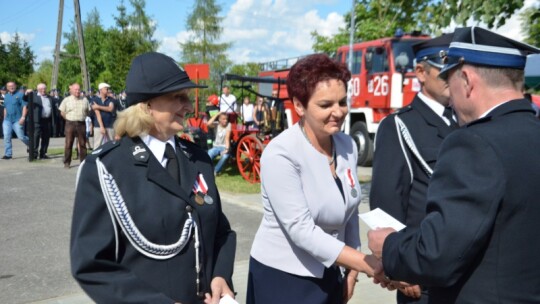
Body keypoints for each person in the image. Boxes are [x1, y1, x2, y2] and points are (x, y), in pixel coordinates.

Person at [368, 27, 540, 303]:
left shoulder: (474, 143)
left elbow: (437, 255)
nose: (451, 94)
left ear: (467, 80)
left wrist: (388, 246)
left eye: (451, 80)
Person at [70, 52, 237, 304]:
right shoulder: (106, 167)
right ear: (146, 106)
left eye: (187, 98)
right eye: (177, 98)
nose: (189, 106)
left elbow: (220, 231)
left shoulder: (198, 158)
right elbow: (91, 264)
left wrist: (221, 274)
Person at [247, 54, 377, 304]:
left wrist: (352, 270)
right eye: (326, 105)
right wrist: (366, 263)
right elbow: (301, 231)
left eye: (342, 102)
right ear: (299, 105)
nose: (337, 112)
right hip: (285, 278)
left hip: (333, 268)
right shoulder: (281, 153)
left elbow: (350, 213)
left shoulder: (346, 145)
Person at [369, 33, 457, 303]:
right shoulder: (399, 125)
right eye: (445, 71)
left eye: (457, 70)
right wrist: (398, 267)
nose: (452, 77)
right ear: (421, 72)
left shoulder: (464, 120)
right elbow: (385, 203)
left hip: (461, 270)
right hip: (421, 276)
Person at [59, 83, 90, 168]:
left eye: (79, 89)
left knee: (83, 144)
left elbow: (88, 111)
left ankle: (83, 162)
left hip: (81, 124)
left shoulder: (85, 100)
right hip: (70, 123)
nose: (77, 91)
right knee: (68, 143)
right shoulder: (66, 100)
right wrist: (69, 119)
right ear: (71, 90)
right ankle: (67, 162)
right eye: (75, 89)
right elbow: (62, 112)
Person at [23, 83, 56, 159]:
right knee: (36, 136)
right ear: (38, 89)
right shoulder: (34, 96)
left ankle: (43, 153)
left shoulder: (49, 97)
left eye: (44, 88)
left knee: (46, 138)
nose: (43, 90)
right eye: (41, 89)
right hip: (37, 120)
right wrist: (26, 93)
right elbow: (24, 98)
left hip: (47, 120)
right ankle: (34, 153)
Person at [2, 81, 30, 159]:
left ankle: (31, 144)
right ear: (7, 88)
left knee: (21, 136)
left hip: (18, 119)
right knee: (7, 136)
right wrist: (4, 118)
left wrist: (23, 117)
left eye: (13, 85)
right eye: (9, 86)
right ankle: (8, 154)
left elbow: (25, 107)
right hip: (7, 120)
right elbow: (5, 108)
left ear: (15, 86)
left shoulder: (20, 95)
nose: (11, 87)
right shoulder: (6, 96)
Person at [91, 82, 116, 148]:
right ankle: (96, 158)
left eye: (107, 89)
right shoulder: (94, 99)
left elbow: (110, 108)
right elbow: (97, 113)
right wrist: (102, 126)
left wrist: (98, 106)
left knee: (112, 145)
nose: (107, 90)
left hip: (110, 125)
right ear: (101, 90)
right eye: (106, 89)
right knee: (97, 146)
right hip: (98, 126)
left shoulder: (111, 99)